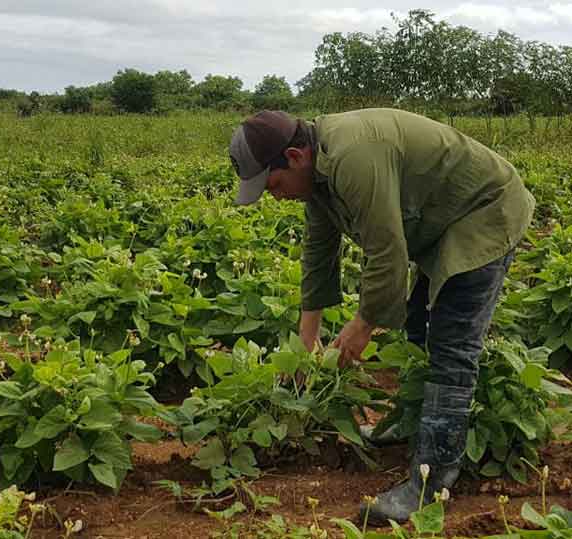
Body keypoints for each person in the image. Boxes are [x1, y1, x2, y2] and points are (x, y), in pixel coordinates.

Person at [228, 108, 535, 524]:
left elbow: (387, 251)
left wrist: (362, 325)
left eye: (274, 185)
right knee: (418, 324)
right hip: (443, 220)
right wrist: (306, 339)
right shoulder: (317, 174)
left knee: (452, 341)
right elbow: (318, 251)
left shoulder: (354, 156)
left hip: (484, 210)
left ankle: (432, 481)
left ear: (295, 157)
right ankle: (413, 425)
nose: (276, 196)